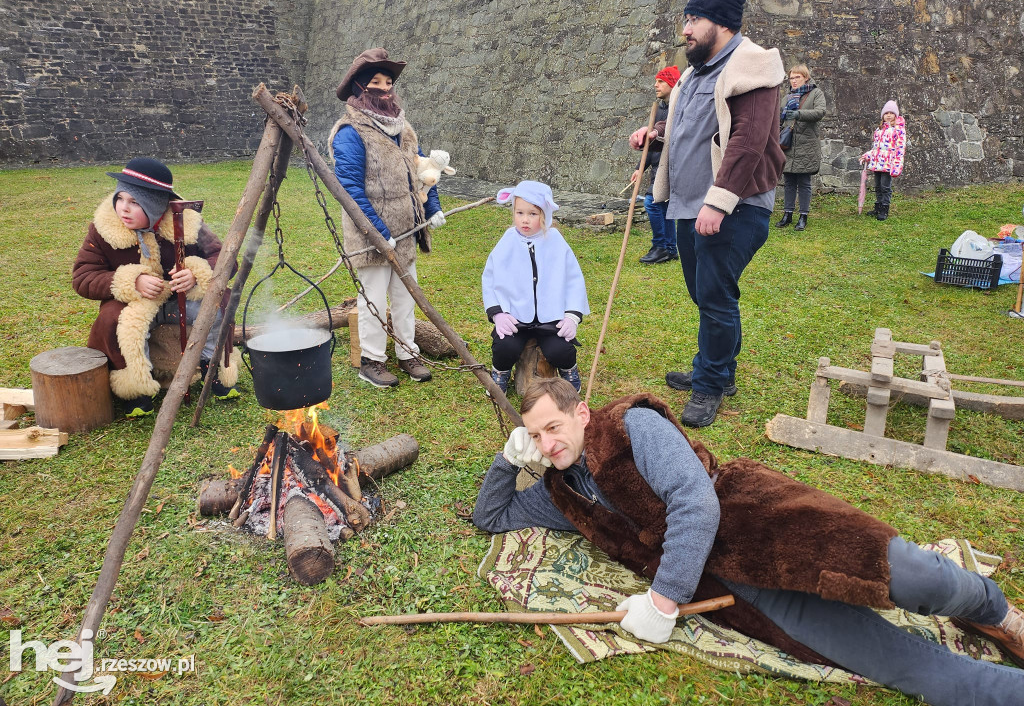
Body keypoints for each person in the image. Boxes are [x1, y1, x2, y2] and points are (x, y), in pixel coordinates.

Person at [473, 378, 1024, 706]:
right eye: (536, 436)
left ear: (581, 413)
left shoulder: (629, 424)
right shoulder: (560, 496)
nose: (548, 444)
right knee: (895, 663)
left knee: (910, 574)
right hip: (733, 587)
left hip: (767, 519)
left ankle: (994, 611)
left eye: (553, 427)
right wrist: (506, 458)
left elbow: (696, 501)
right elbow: (490, 515)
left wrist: (663, 601)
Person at [650, 0, 786, 428]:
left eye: (694, 19)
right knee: (706, 293)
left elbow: (748, 141)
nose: (685, 29)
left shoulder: (754, 66)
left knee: (714, 295)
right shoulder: (693, 73)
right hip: (689, 203)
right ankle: (719, 369)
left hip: (736, 206)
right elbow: (689, 132)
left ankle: (710, 384)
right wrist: (652, 139)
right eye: (685, 19)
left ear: (722, 22)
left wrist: (719, 201)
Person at [73, 157, 240, 417]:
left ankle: (213, 368)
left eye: (135, 202)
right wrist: (131, 281)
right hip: (134, 303)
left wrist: (196, 274)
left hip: (181, 301)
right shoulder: (103, 230)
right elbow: (83, 277)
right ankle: (136, 387)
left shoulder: (186, 223)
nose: (123, 209)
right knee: (113, 319)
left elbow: (225, 260)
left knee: (219, 304)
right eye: (120, 198)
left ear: (155, 205)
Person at [328, 47, 445, 388]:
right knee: (374, 301)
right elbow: (349, 187)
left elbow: (423, 171)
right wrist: (378, 232)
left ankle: (409, 352)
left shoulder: (404, 129)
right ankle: (372, 361)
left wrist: (433, 206)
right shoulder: (351, 132)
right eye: (375, 82)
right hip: (370, 235)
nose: (383, 87)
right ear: (360, 88)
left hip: (407, 232)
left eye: (388, 81)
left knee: (406, 296)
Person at [482, 181, 589, 394]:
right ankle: (500, 373)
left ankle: (569, 370)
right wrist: (497, 313)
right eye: (519, 212)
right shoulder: (508, 240)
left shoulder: (556, 241)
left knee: (560, 350)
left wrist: (572, 317)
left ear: (545, 215)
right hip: (515, 317)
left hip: (551, 318)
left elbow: (573, 279)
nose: (524, 219)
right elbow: (490, 277)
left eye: (532, 214)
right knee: (505, 346)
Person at [629, 65, 681, 264]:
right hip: (658, 167)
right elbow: (652, 144)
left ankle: (661, 246)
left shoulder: (679, 107)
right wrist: (639, 168)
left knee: (652, 203)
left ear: (671, 83)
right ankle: (669, 248)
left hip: (672, 166)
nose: (655, 85)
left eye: (660, 81)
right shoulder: (659, 109)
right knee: (663, 207)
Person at [776, 63, 826, 231]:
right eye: (791, 78)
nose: (794, 81)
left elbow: (820, 112)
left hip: (807, 145)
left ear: (805, 78)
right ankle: (787, 214)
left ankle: (803, 216)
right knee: (789, 181)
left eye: (797, 77)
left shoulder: (815, 93)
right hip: (788, 145)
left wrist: (799, 114)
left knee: (804, 182)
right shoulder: (787, 97)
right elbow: (778, 118)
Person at [860, 100, 906, 221]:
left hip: (888, 164)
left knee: (885, 187)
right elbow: (876, 149)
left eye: (892, 113)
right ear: (883, 116)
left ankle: (885, 208)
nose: (889, 115)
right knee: (878, 186)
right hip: (877, 164)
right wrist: (867, 156)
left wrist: (897, 165)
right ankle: (878, 206)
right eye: (886, 113)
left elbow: (900, 149)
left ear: (896, 115)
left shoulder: (899, 130)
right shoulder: (879, 130)